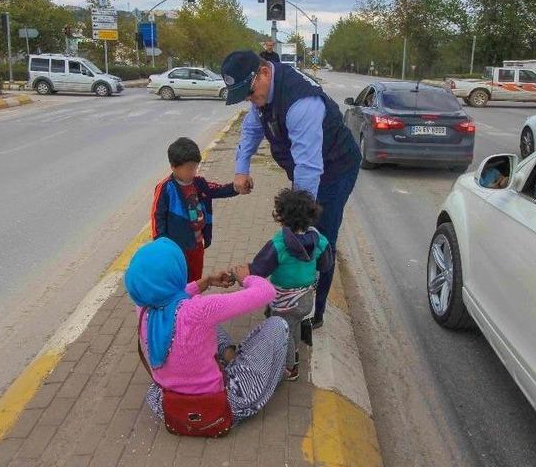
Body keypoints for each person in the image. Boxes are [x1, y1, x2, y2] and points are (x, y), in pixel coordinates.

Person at [221, 50, 361, 330]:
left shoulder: (301, 103)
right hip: (306, 168)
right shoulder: (262, 93)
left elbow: (309, 168)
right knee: (298, 236)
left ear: (263, 72)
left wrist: (300, 219)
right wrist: (241, 168)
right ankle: (289, 300)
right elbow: (251, 128)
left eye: (249, 93)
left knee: (318, 240)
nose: (250, 100)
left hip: (335, 171)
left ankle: (311, 313)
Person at [126, 238, 289, 425]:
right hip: (220, 406)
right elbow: (266, 292)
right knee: (277, 325)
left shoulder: (143, 308)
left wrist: (206, 282)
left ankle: (227, 354)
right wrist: (247, 277)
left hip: (169, 405)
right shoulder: (200, 310)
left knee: (204, 327)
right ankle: (238, 364)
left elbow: (168, 297)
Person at [248, 189, 333, 381]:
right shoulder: (320, 240)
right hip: (305, 299)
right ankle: (294, 353)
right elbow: (326, 265)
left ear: (281, 216)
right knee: (293, 325)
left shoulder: (279, 244)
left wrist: (241, 275)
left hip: (284, 301)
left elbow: (259, 269)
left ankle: (289, 369)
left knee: (282, 332)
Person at [152, 137, 239, 282]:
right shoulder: (166, 188)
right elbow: (157, 218)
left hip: (197, 244)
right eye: (188, 168)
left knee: (195, 280)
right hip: (176, 248)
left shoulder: (199, 183)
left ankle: (194, 304)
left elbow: (217, 189)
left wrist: (236, 187)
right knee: (179, 281)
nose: (192, 172)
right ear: (174, 167)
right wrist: (162, 247)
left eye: (194, 167)